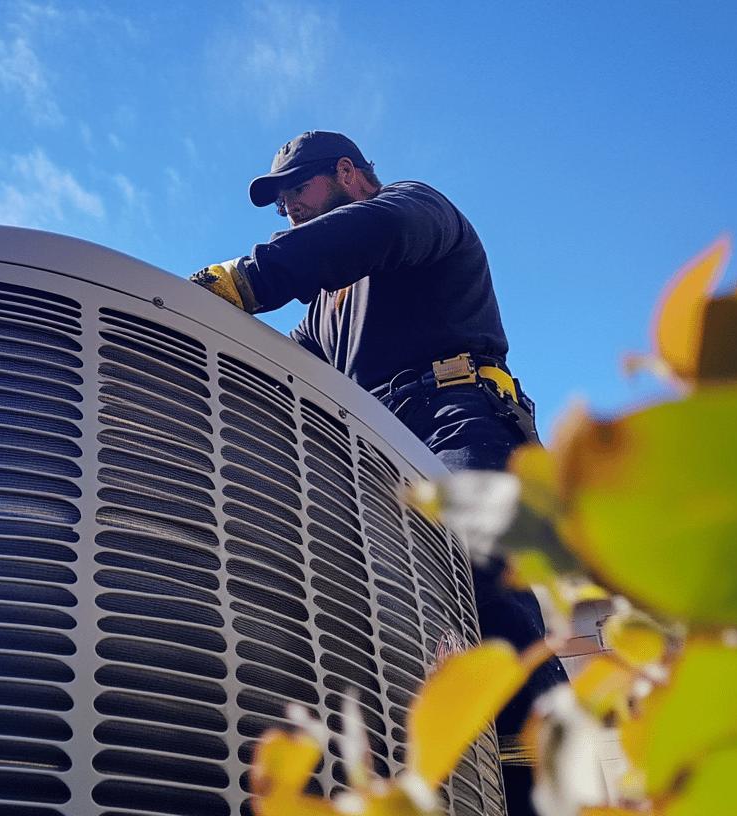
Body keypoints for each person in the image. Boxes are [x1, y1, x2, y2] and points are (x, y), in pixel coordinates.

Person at [191, 130, 566, 815]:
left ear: (346, 174)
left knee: (483, 579)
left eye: (295, 192)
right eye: (278, 207)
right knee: (370, 617)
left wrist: (247, 280)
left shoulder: (413, 209)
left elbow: (375, 231)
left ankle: (544, 787)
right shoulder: (323, 316)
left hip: (456, 415)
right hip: (371, 457)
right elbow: (280, 369)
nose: (288, 213)